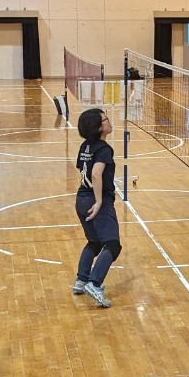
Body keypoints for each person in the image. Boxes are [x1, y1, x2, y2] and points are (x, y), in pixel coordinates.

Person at [74, 107, 120, 308]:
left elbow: (82, 169)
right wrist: (100, 201)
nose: (109, 121)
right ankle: (94, 283)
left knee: (94, 241)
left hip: (81, 198)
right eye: (105, 119)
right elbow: (96, 173)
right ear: (98, 127)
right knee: (112, 245)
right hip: (96, 200)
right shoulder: (103, 149)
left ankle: (81, 280)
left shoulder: (85, 146)